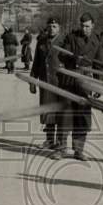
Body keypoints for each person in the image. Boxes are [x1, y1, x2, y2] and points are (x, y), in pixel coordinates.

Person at [53, 11, 103, 160]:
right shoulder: (72, 37)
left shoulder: (97, 41)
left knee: (82, 116)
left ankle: (78, 150)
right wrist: (72, 57)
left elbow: (100, 65)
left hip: (86, 82)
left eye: (87, 26)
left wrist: (98, 84)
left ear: (93, 25)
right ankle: (61, 149)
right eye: (82, 26)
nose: (84, 29)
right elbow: (61, 54)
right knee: (65, 114)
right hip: (69, 79)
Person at [29, 16, 65, 151]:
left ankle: (61, 142)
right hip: (45, 82)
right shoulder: (42, 42)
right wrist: (32, 80)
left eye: (54, 26)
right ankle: (50, 140)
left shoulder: (64, 41)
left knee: (61, 113)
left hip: (60, 83)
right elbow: (37, 62)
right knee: (47, 111)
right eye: (49, 26)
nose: (51, 28)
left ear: (59, 28)